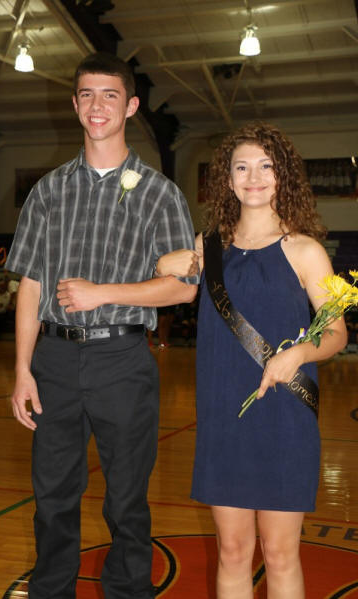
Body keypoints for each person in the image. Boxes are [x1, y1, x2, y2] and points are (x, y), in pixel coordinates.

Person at [5, 52, 198, 599]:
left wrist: (103, 292)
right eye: (87, 94)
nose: (98, 106)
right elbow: (32, 286)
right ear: (75, 104)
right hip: (55, 361)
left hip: (122, 360)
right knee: (53, 498)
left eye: (110, 95)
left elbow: (183, 287)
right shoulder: (47, 191)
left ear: (131, 106)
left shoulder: (161, 193)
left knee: (127, 500)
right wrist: (23, 370)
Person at [155, 122, 347, 599]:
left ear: (284, 176)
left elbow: (337, 333)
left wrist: (299, 353)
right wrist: (167, 263)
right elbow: (165, 278)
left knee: (281, 554)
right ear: (228, 179)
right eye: (242, 167)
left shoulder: (306, 251)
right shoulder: (208, 248)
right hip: (224, 418)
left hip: (285, 419)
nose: (254, 177)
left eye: (266, 166)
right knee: (233, 552)